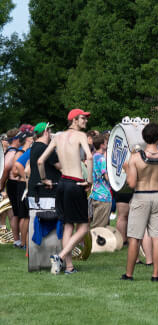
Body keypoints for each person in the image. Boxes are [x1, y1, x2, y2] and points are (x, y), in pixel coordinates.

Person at [38, 109, 93, 275]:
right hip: (76, 183)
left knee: (68, 225)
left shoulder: (57, 137)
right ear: (74, 120)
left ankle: (69, 267)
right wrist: (89, 181)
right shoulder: (80, 136)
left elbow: (41, 161)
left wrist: (44, 180)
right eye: (83, 118)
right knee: (83, 227)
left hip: (62, 184)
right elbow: (89, 158)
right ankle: (60, 257)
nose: (86, 121)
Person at [122, 122, 158, 281]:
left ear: (144, 138)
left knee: (135, 238)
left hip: (141, 196)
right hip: (157, 196)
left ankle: (129, 274)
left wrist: (126, 168)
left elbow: (131, 183)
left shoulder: (136, 158)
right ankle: (155, 275)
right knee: (156, 236)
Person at [89, 132, 113, 228]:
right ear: (102, 145)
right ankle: (94, 243)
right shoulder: (102, 159)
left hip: (95, 194)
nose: (107, 145)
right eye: (106, 143)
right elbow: (106, 176)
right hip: (103, 196)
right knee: (99, 227)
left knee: (97, 224)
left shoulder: (94, 157)